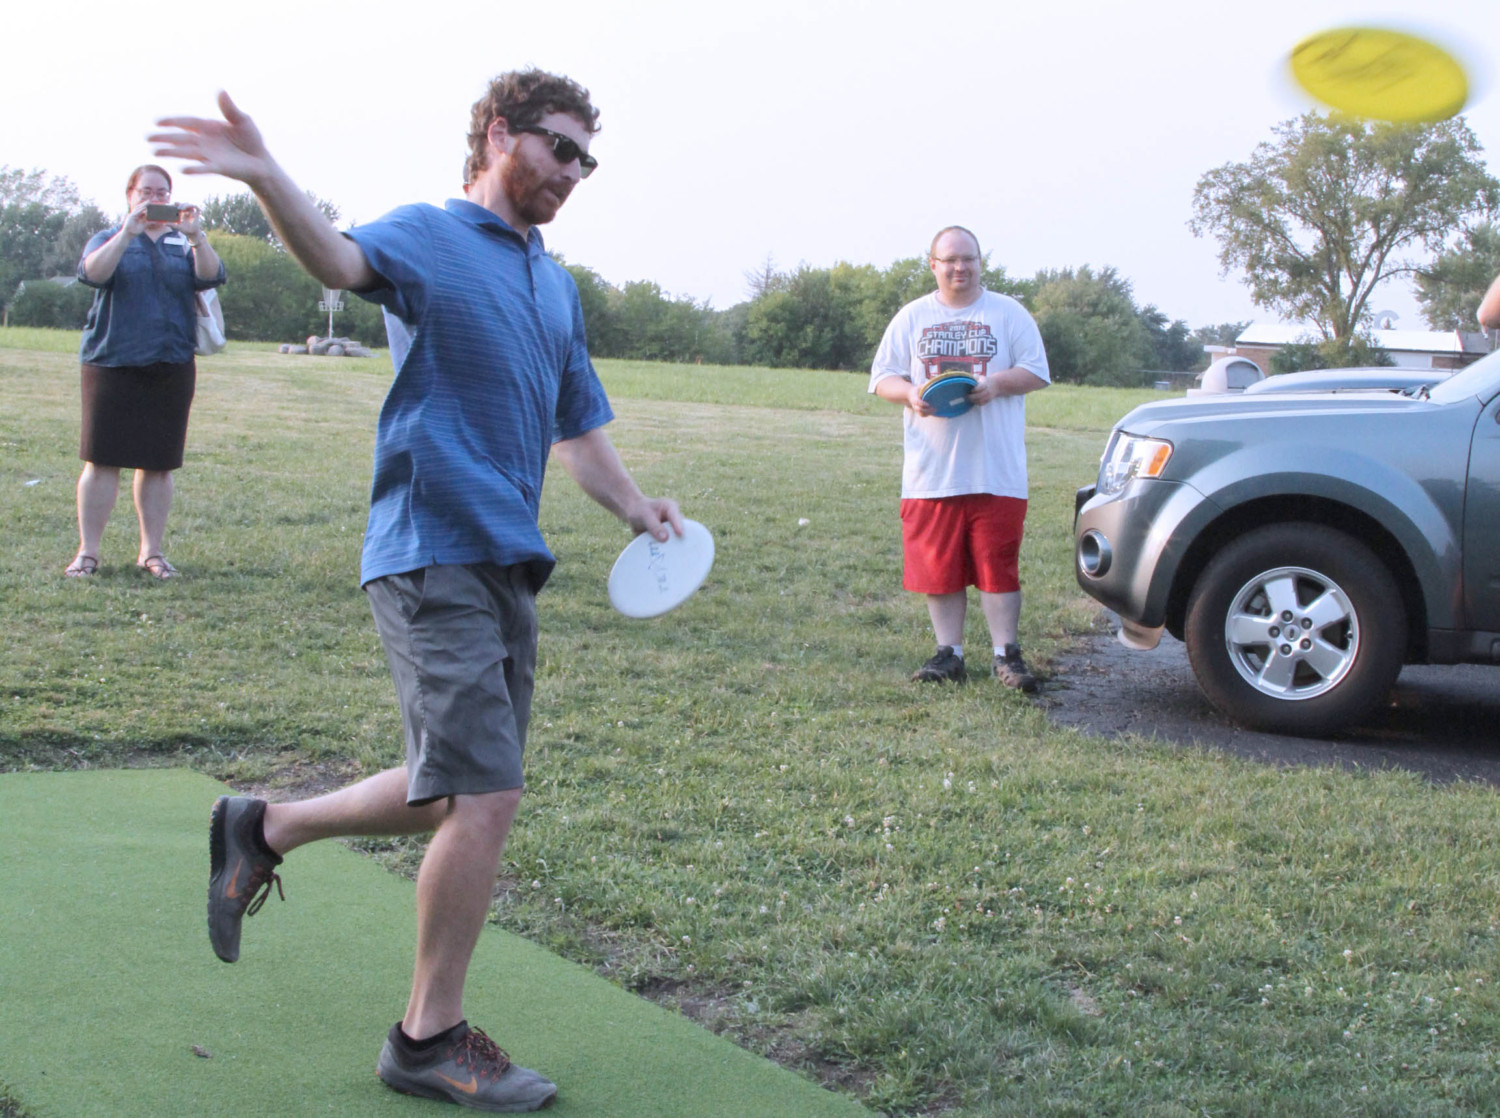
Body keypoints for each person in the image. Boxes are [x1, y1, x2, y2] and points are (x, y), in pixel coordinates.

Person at [151, 72, 681, 1112]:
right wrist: (264, 174)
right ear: (499, 134)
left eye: (587, 159)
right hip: (430, 544)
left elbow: (577, 426)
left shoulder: (555, 284)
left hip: (509, 558)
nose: (575, 172)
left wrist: (635, 507)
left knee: (450, 787)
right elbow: (340, 260)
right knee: (487, 793)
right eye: (560, 148)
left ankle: (265, 826)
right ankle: (426, 1037)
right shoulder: (432, 236)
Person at [868, 226, 1050, 689]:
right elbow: (882, 377)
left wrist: (997, 384)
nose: (959, 267)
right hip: (931, 471)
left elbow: (1036, 371)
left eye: (968, 258)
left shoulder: (1008, 313)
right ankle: (949, 654)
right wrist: (910, 393)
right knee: (939, 568)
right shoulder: (913, 316)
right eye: (949, 260)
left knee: (997, 566)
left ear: (980, 262)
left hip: (997, 470)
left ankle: (1006, 656)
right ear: (933, 265)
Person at [66, 165, 225, 579]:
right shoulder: (108, 237)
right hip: (111, 361)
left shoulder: (182, 242)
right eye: (146, 191)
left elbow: (211, 275)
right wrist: (127, 234)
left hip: (171, 363)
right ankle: (88, 553)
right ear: (130, 196)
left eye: (162, 192)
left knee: (158, 463)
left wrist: (197, 236)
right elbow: (92, 274)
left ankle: (151, 553)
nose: (155, 198)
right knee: (101, 460)